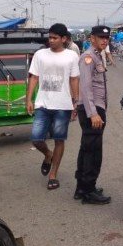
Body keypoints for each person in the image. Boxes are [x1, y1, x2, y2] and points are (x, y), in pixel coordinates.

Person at [26, 23, 80, 190]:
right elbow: (34, 77)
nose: (51, 40)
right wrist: (29, 99)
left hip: (63, 105)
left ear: (64, 39)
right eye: (49, 37)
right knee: (36, 138)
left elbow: (74, 79)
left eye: (55, 38)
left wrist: (75, 101)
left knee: (59, 139)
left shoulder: (71, 56)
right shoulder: (40, 54)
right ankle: (48, 155)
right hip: (42, 103)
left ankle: (53, 175)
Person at [74, 25, 112, 205]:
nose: (104, 40)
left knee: (87, 147)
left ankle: (82, 187)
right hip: (93, 109)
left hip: (95, 108)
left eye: (106, 38)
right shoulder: (88, 57)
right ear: (92, 39)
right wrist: (93, 114)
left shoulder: (98, 55)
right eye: (100, 37)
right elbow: (86, 87)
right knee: (93, 151)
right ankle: (88, 191)